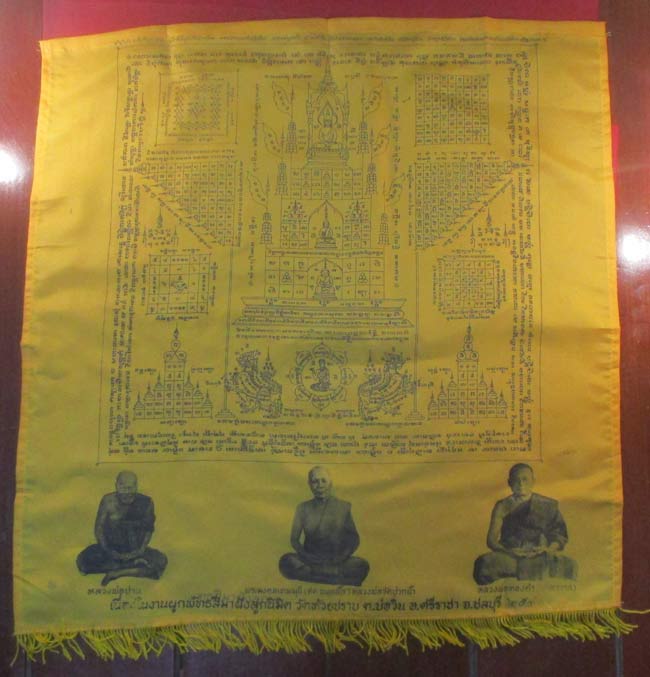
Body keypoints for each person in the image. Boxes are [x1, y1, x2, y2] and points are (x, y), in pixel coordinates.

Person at [473, 464, 577, 585]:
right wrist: (510, 551)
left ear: (533, 481)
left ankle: (528, 571)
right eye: (516, 480)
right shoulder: (503, 506)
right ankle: (530, 572)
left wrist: (548, 549)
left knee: (570, 565)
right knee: (484, 564)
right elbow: (491, 541)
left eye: (525, 479)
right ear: (509, 483)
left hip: (539, 554)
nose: (521, 484)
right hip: (511, 555)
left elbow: (559, 535)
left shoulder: (547, 504)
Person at [279, 466, 369, 586]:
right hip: (310, 560)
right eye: (315, 481)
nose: (320, 485)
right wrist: (307, 556)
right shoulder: (302, 508)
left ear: (330, 483)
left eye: (323, 481)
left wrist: (341, 557)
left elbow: (354, 539)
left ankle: (314, 575)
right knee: (286, 560)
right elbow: (294, 540)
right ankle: (332, 577)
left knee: (361, 565)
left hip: (336, 560)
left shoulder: (343, 507)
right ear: (309, 484)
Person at [76, 471, 167, 586]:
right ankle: (133, 567)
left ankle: (118, 573)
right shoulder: (108, 501)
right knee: (83, 561)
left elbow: (149, 529)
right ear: (116, 486)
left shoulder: (146, 502)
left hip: (135, 552)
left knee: (161, 561)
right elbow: (99, 529)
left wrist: (140, 550)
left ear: (136, 487)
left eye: (130, 488)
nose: (127, 492)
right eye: (123, 487)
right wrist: (108, 551)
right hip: (111, 552)